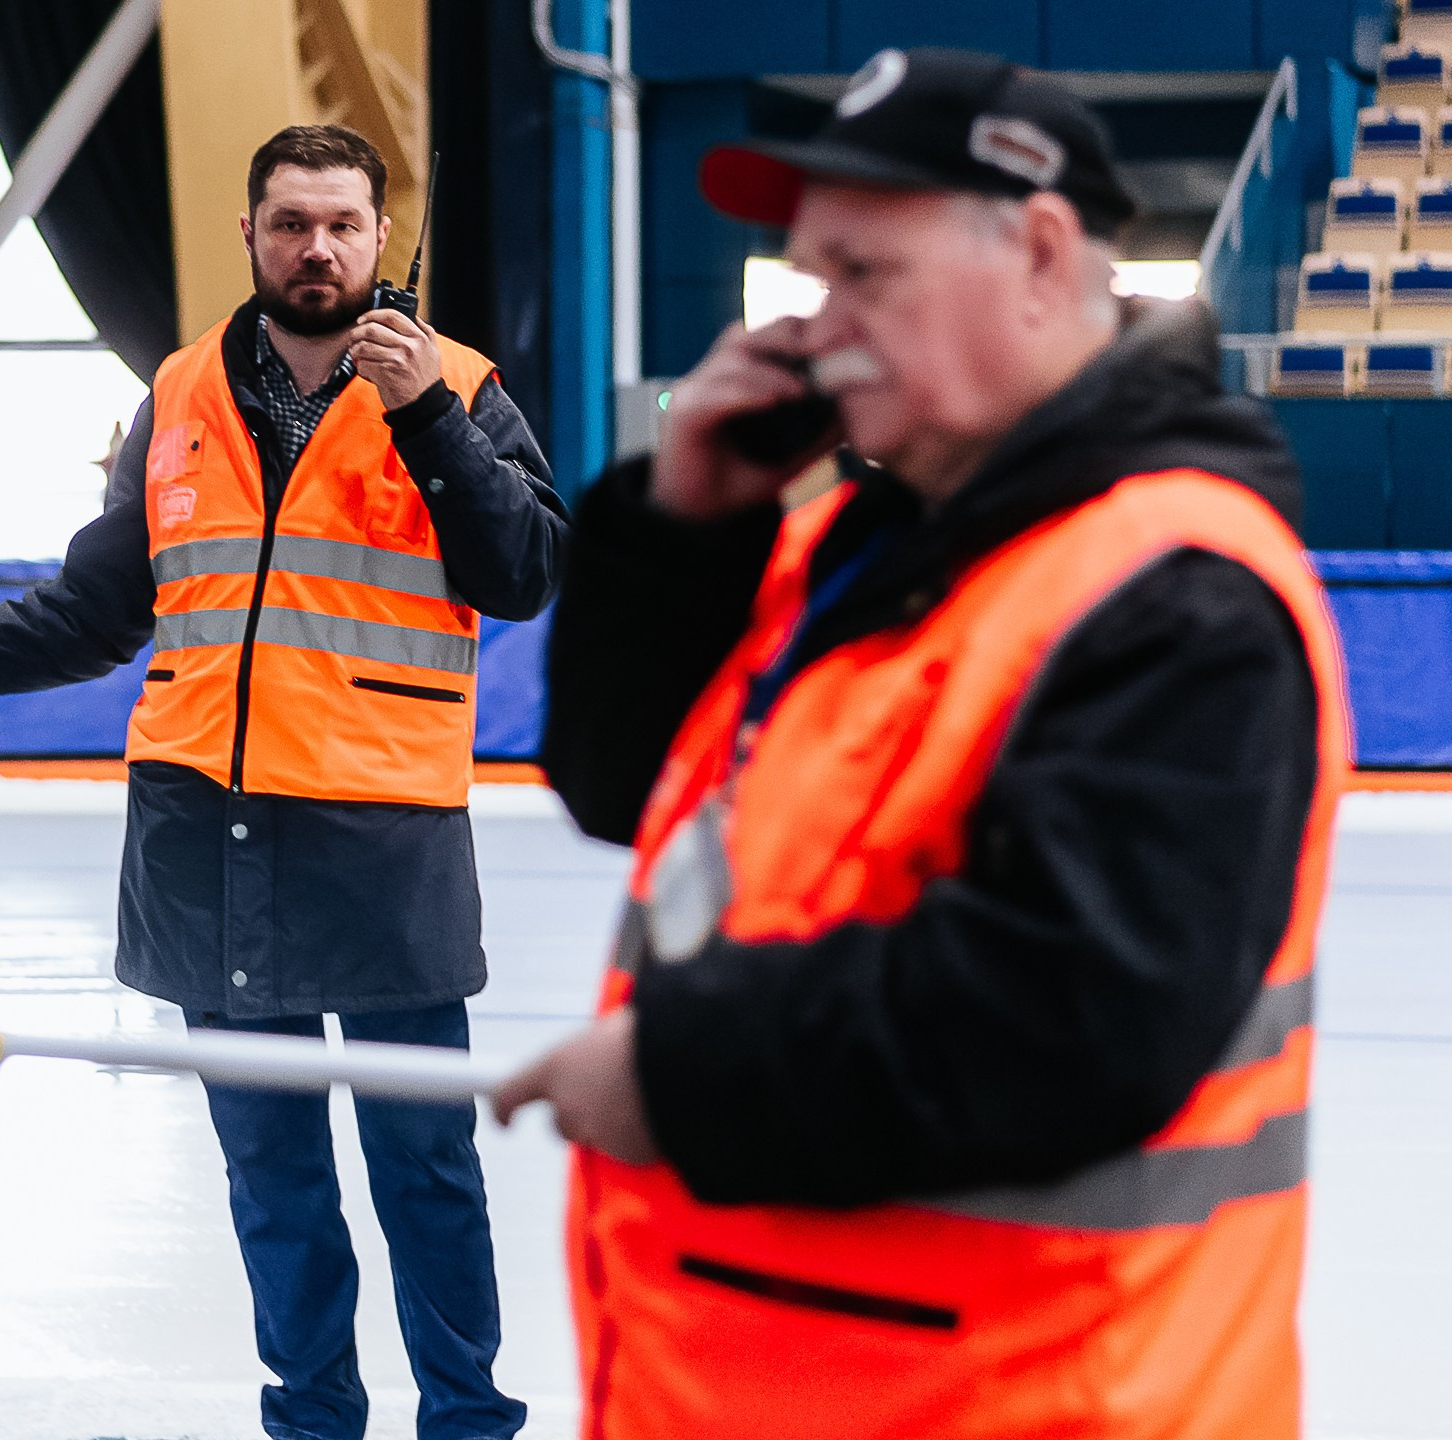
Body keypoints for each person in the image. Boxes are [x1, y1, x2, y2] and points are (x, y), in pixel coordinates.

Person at [492, 49, 1349, 1439]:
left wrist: (675, 1072)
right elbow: (620, 786)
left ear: (1041, 254)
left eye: (863, 274)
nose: (818, 323)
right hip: (761, 1383)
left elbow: (1074, 1015)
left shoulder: (1174, 592)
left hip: (1026, 1403)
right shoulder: (857, 545)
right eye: (806, 281)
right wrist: (683, 529)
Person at [0, 125, 564, 1440]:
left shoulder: (458, 385)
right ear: (249, 233)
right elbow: (98, 608)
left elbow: (521, 573)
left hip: (384, 839)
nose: (317, 247)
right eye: (290, 222)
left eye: (343, 223)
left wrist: (430, 422)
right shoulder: (176, 394)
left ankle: (468, 1422)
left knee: (427, 1172)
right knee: (270, 1174)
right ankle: (312, 1421)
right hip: (207, 843)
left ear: (383, 235)